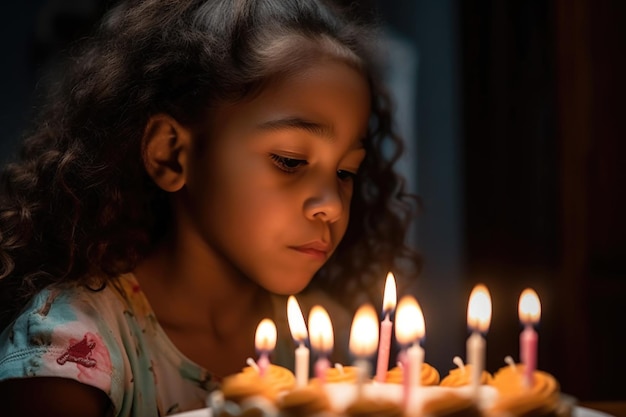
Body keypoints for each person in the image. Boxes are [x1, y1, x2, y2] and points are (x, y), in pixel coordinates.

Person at [0, 0, 420, 415]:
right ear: (172, 154)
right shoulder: (73, 348)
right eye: (290, 161)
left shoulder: (335, 343)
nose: (330, 205)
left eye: (346, 172)